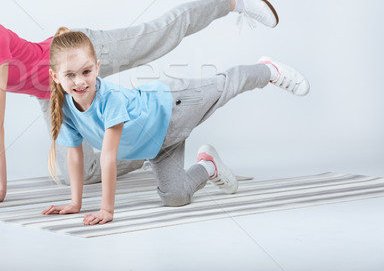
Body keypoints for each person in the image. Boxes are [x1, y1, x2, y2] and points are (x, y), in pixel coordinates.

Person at [0, 0, 281, 205]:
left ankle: (233, 0)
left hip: (77, 54)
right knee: (78, 176)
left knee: (163, 35)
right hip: (55, 92)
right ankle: (159, 148)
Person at [42, 29, 309, 225]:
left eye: (86, 72)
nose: (80, 81)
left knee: (226, 85)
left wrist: (106, 210)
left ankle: (268, 70)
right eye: (70, 75)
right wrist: (75, 203)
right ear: (55, 76)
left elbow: (108, 157)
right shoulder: (65, 108)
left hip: (173, 107)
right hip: (159, 145)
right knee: (175, 197)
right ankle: (208, 165)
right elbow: (74, 154)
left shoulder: (108, 99)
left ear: (97, 68)